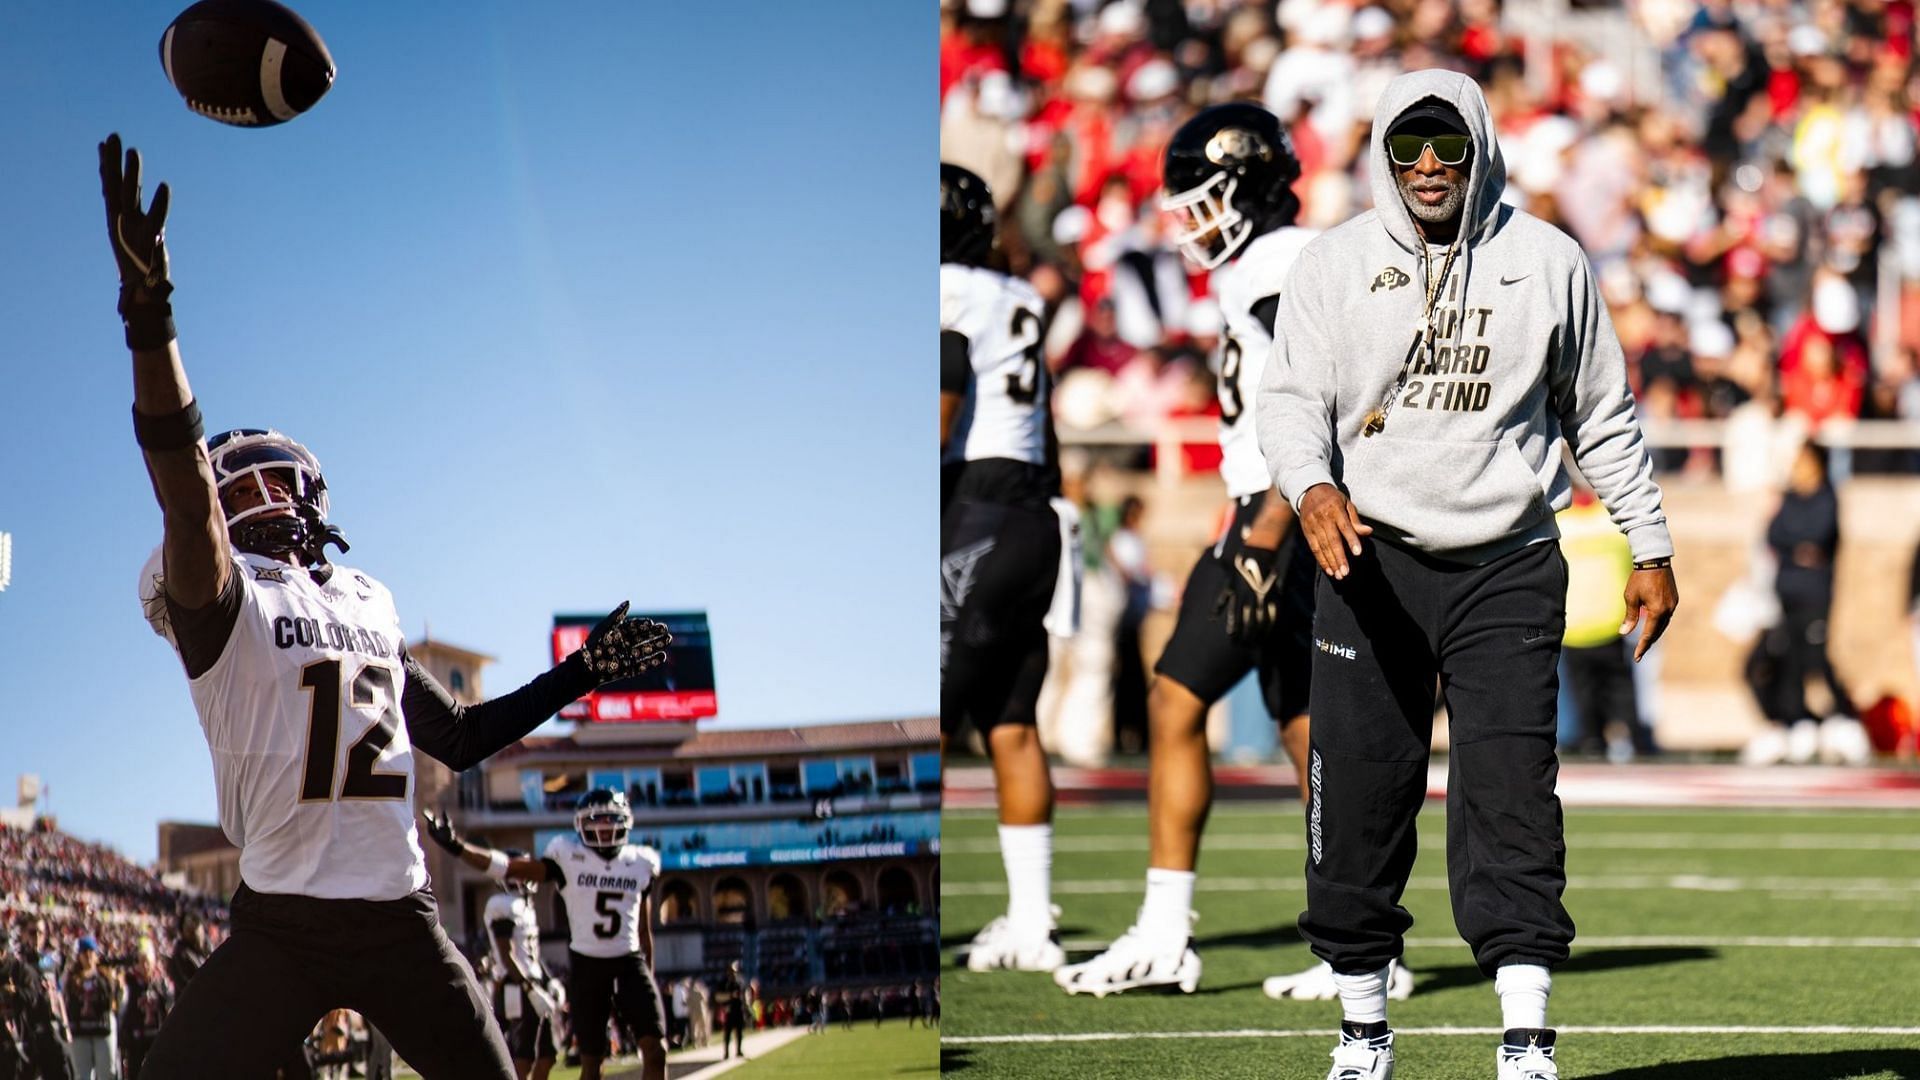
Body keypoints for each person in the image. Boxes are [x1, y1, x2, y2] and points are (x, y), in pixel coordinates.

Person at [98, 134, 673, 1080]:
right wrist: (149, 315)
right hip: (280, 916)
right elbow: (179, 481)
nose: (265, 497)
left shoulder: (366, 598)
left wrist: (578, 673)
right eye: (241, 488)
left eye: (273, 482)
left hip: (400, 913)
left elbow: (460, 736)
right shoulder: (217, 596)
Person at [1254, 72, 1678, 1080]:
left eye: (1448, 146)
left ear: (1482, 144)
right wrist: (1311, 488)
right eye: (1410, 149)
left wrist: (1651, 545)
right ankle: (1362, 1033)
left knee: (1511, 795)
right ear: (1382, 156)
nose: (1430, 167)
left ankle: (1526, 1038)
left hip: (1508, 562)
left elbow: (1603, 416)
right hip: (1368, 556)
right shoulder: (1336, 262)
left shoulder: (1548, 260)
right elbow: (1288, 402)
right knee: (1357, 796)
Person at [1055, 102, 1416, 1004]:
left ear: (1244, 187)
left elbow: (1326, 401)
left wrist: (1260, 535)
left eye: (1198, 200)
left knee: (1176, 696)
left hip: (1280, 516)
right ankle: (1365, 948)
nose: (1186, 221)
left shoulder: (1279, 262)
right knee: (1307, 736)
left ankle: (1167, 934)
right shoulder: (1261, 268)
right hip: (1282, 512)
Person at [941, 162, 1074, 972]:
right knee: (1011, 723)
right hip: (1033, 516)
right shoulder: (1019, 296)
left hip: (977, 512)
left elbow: (944, 392)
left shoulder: (950, 292)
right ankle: (1031, 924)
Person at [424, 790, 666, 1080]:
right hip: (588, 965)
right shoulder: (569, 857)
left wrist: (647, 979)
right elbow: (510, 867)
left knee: (656, 1050)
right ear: (581, 825)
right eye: (596, 821)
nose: (604, 828)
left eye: (610, 820)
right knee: (591, 1062)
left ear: (625, 823)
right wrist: (457, 847)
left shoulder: (641, 862)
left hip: (630, 961)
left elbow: (643, 929)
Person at [1743, 441, 1869, 765]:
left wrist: (1798, 545)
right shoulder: (1788, 499)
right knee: (1789, 660)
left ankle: (1844, 718)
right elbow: (1775, 536)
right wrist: (1796, 549)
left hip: (1815, 594)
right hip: (1787, 593)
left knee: (1817, 658)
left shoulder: (1826, 498)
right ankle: (1798, 722)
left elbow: (1818, 535)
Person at [482, 862, 560, 1080]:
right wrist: (530, 989)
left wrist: (549, 980)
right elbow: (507, 956)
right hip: (516, 986)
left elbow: (530, 955)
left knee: (547, 1056)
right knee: (523, 1056)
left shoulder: (525, 907)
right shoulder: (503, 905)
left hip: (531, 982)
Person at [63, 941, 119, 1080]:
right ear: (79, 956)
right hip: (81, 1030)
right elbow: (69, 1003)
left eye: (91, 952)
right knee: (82, 1075)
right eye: (84, 953)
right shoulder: (72, 977)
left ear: (96, 955)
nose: (88, 956)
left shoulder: (104, 976)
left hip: (101, 1028)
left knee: (107, 1071)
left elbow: (109, 1001)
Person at [116, 942, 171, 1080]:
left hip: (155, 1035)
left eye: (148, 962)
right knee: (135, 1073)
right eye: (142, 962)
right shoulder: (129, 982)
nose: (145, 966)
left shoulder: (160, 983)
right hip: (136, 1036)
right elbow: (123, 1007)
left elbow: (167, 1007)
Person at [718, 963, 747, 1060]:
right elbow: (718, 997)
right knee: (727, 1033)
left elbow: (744, 995)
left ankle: (738, 1050)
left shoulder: (740, 982)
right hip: (729, 1010)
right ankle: (726, 1052)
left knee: (739, 1032)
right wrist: (730, 995)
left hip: (738, 1009)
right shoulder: (723, 983)